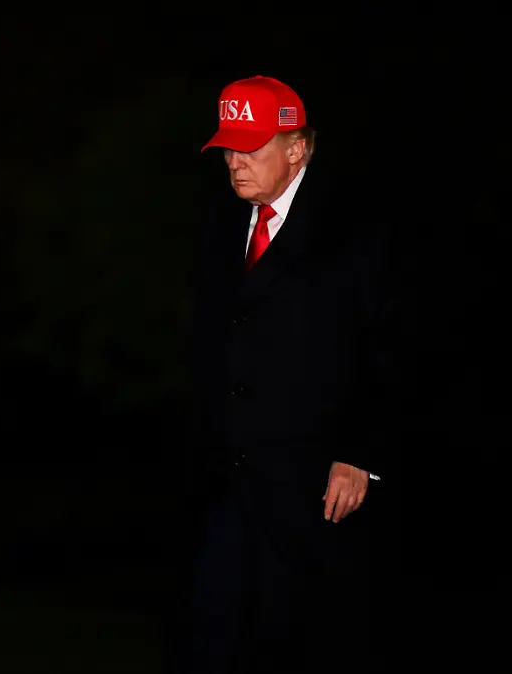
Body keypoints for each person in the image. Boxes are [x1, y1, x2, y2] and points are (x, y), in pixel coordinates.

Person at [177, 75, 403, 674]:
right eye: (227, 147)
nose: (234, 162)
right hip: (226, 486)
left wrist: (359, 452)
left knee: (309, 640)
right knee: (213, 638)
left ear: (297, 148)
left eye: (251, 147)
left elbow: (388, 347)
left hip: (316, 491)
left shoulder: (356, 230)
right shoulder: (223, 225)